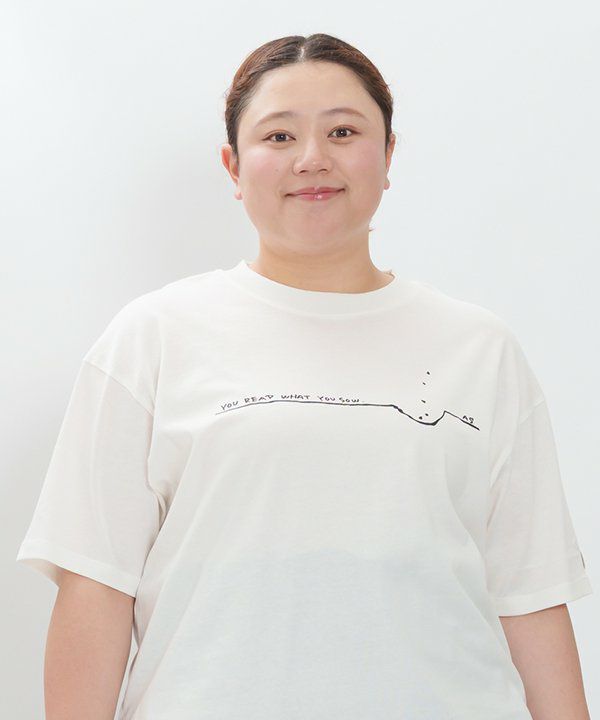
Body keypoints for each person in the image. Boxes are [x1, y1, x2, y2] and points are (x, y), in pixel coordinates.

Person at [16, 33, 593, 720]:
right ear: (233, 166)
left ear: (388, 155)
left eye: (343, 132)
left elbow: (531, 598)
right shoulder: (152, 339)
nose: (312, 158)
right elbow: (95, 588)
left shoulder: (481, 348)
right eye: (279, 136)